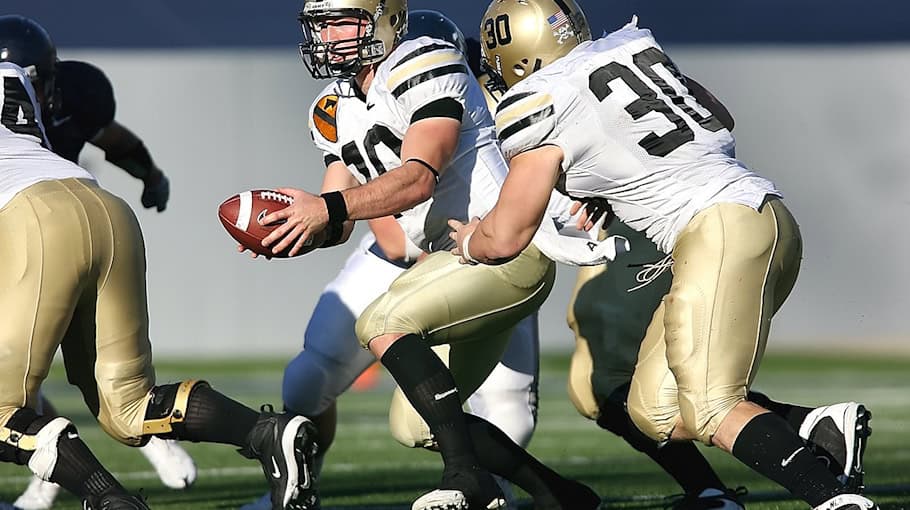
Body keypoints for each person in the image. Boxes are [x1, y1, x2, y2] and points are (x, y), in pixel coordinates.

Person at [451, 1, 877, 509]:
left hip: (718, 227)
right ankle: (816, 427)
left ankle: (832, 498)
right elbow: (718, 117)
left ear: (517, 56)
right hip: (759, 216)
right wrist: (610, 180)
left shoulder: (539, 99)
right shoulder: (626, 49)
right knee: (655, 409)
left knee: (712, 407)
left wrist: (471, 239)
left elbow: (507, 235)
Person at [254, 1, 619, 508]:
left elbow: (418, 176)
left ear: (387, 21)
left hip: (501, 248)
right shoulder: (333, 106)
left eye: (345, 22)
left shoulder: (423, 62)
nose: (331, 36)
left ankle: (466, 479)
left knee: (386, 324)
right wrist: (294, 228)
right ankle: (561, 496)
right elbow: (337, 218)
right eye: (323, 25)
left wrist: (326, 208)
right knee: (413, 424)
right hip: (453, 261)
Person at [0, 45, 316, 510]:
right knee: (129, 408)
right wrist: (149, 174)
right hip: (103, 205)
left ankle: (109, 499)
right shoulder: (14, 77)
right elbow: (104, 135)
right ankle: (266, 432)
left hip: (32, 217)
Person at [0, 15, 190, 510]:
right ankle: (60, 472)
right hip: (32, 224)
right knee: (20, 374)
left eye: (36, 79)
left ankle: (140, 447)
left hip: (47, 228)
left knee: (83, 376)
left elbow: (113, 137)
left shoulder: (74, 95)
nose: (33, 91)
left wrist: (150, 173)